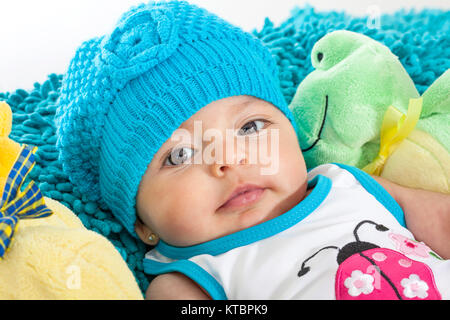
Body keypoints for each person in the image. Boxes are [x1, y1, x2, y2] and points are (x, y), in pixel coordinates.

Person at [55, 0, 450, 300]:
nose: (228, 160)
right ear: (144, 226)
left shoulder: (349, 184)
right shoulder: (189, 278)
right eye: (180, 155)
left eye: (250, 127)